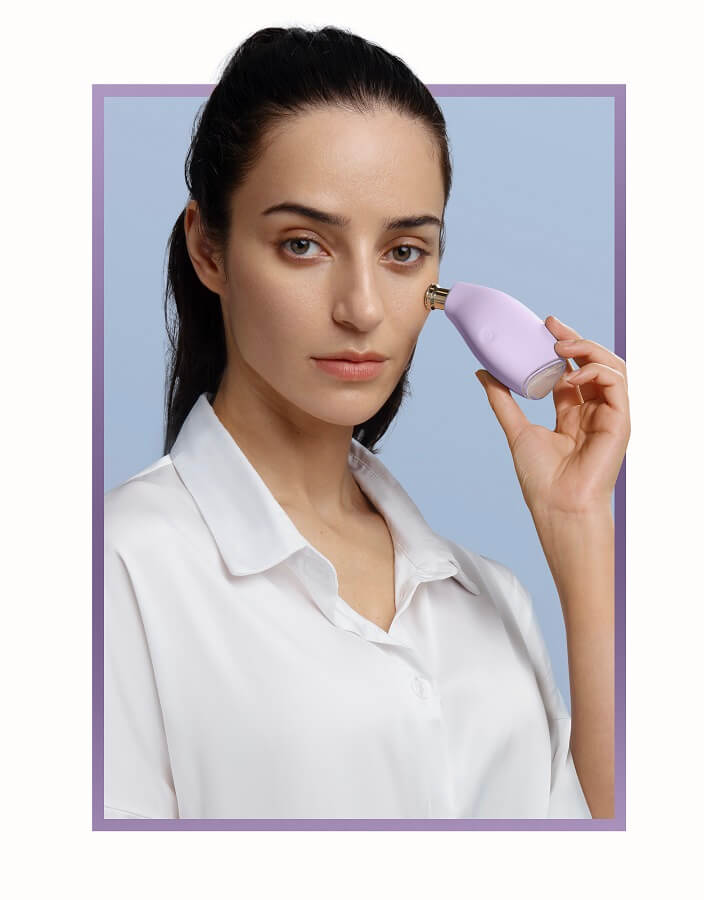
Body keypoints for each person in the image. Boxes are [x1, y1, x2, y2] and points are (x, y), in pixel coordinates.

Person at [104, 25, 630, 821]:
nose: (361, 309)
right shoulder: (117, 570)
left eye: (404, 252)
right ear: (209, 249)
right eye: (303, 244)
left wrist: (580, 525)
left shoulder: (491, 598)